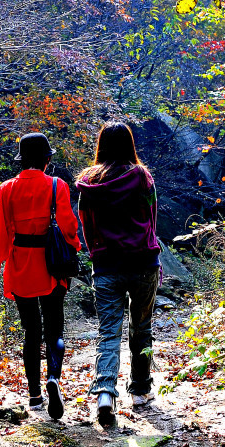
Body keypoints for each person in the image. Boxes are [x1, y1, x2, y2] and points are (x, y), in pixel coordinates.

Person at [0, 132, 81, 420]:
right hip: (51, 267)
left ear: (21, 160)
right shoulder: (57, 185)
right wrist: (74, 248)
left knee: (31, 332)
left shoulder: (6, 189)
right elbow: (69, 227)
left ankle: (34, 397)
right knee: (54, 329)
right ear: (47, 160)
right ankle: (54, 379)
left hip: (21, 267)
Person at [76, 122, 159, 427]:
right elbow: (151, 219)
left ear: (101, 145)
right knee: (142, 327)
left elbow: (86, 223)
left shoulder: (88, 182)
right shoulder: (142, 177)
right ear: (129, 145)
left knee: (109, 332)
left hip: (107, 264)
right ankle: (139, 392)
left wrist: (96, 250)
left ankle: (104, 395)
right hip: (143, 262)